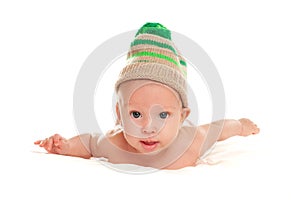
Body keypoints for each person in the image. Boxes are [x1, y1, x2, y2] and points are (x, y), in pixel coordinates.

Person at [34, 23, 260, 170]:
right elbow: (90, 142)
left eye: (163, 114)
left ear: (182, 117)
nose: (148, 127)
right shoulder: (113, 143)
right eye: (135, 114)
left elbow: (220, 128)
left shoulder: (192, 139)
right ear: (118, 115)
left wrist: (239, 126)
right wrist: (63, 146)